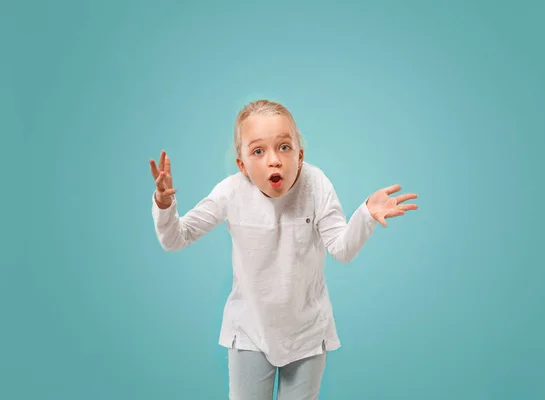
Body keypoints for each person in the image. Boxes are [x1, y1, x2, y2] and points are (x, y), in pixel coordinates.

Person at [149, 100, 418, 400]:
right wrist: (164, 205)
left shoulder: (316, 185)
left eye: (284, 147)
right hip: (250, 330)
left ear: (300, 156)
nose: (273, 160)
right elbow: (177, 238)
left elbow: (341, 248)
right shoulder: (231, 191)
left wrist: (366, 214)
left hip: (307, 334)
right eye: (258, 151)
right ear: (243, 165)